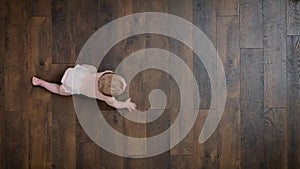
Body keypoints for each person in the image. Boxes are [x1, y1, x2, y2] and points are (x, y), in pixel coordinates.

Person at [32, 64, 136, 112]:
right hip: (72, 85)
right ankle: (41, 83)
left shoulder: (105, 73)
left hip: (76, 73)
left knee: (92, 69)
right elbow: (116, 104)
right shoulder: (108, 98)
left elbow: (110, 75)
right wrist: (126, 104)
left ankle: (42, 82)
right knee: (59, 90)